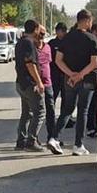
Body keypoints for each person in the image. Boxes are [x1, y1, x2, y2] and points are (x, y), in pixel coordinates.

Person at [54, 9, 97, 156]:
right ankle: (78, 144)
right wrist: (80, 75)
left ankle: (53, 138)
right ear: (87, 21)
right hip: (87, 80)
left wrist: (71, 75)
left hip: (69, 80)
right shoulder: (92, 39)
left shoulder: (67, 38)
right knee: (83, 111)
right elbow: (95, 63)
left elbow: (58, 60)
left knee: (67, 109)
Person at [14, 19, 46, 152]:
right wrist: (38, 82)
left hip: (20, 82)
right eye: (39, 29)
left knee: (26, 113)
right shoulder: (28, 43)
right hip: (29, 83)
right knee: (40, 112)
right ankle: (31, 141)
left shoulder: (20, 42)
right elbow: (30, 64)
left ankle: (21, 141)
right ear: (35, 29)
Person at [34, 24, 63, 155]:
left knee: (51, 111)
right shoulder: (31, 48)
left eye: (44, 34)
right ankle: (31, 139)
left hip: (49, 83)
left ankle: (52, 137)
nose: (42, 36)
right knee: (36, 112)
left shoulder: (47, 47)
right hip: (35, 85)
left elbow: (49, 64)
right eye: (40, 33)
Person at [48, 22, 68, 103]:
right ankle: (51, 114)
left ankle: (63, 115)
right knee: (53, 96)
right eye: (58, 31)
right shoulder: (52, 43)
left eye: (62, 31)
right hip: (54, 73)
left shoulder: (68, 42)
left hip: (65, 73)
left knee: (65, 97)